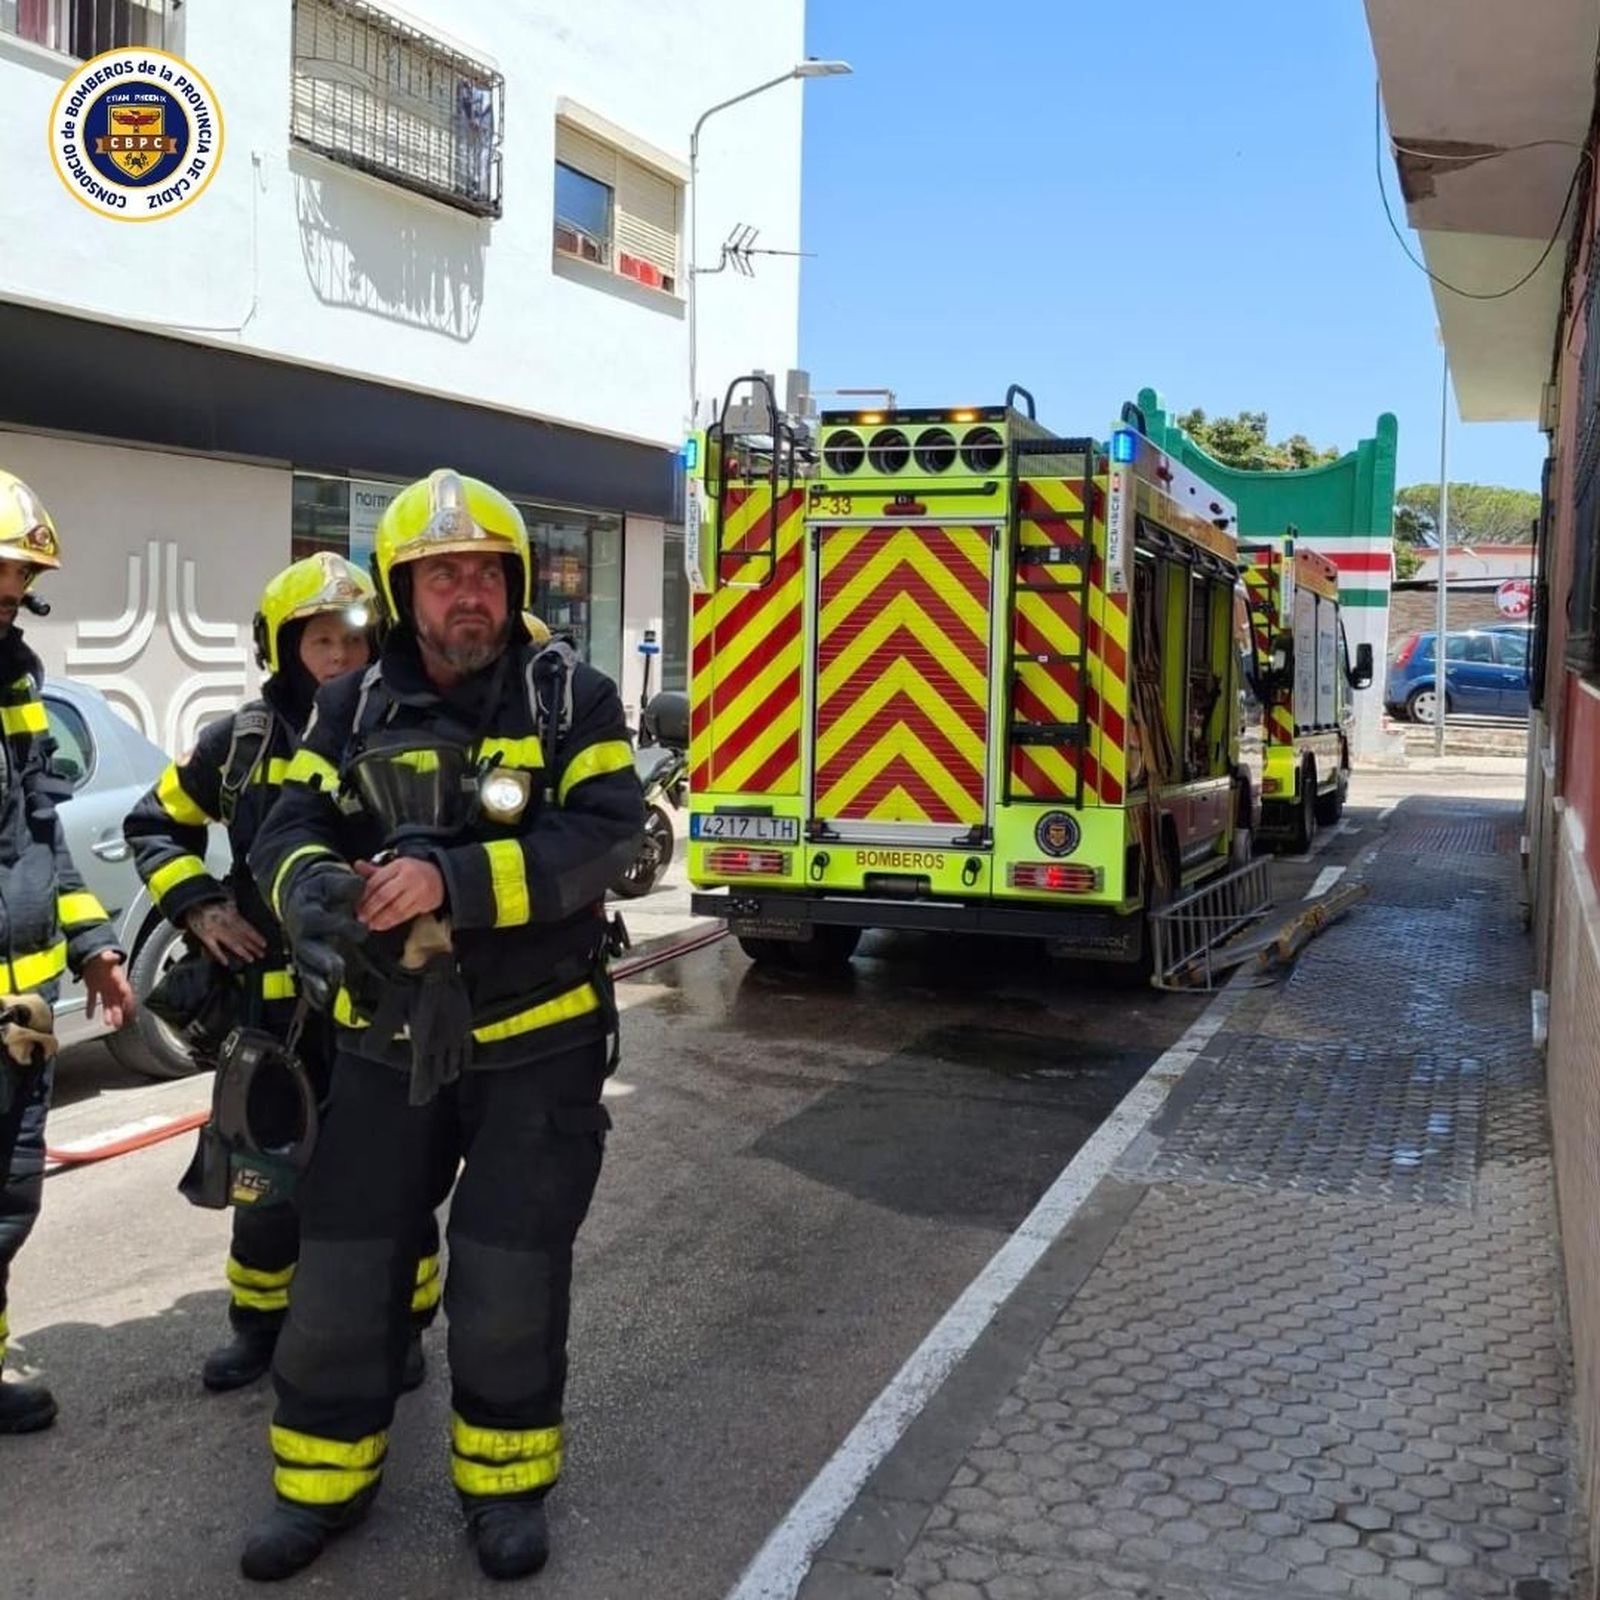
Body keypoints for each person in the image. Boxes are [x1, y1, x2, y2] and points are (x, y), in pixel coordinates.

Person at [242, 470, 642, 1582]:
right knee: (344, 1270)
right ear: (402, 588)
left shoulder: (574, 699)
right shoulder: (347, 704)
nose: (465, 594)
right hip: (377, 1039)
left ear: (513, 586)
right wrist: (311, 888)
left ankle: (505, 1487)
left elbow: (607, 840)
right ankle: (319, 1488)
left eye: (484, 573)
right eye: (440, 574)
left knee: (505, 1275)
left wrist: (449, 881)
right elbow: (288, 824)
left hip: (538, 1041)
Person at [123, 553, 445, 1392]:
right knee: (262, 1184)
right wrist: (199, 907)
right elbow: (154, 821)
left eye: (354, 639)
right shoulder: (238, 744)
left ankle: (403, 1330)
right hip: (269, 1012)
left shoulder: (402, 731)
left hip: (376, 1004)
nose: (341, 657)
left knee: (390, 1182)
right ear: (282, 646)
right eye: (321, 641)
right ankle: (257, 1327)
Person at [0, 469, 134, 1434]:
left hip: (26, 1013)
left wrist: (91, 943)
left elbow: (42, 833)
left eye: (17, 590)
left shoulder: (17, 681)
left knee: (10, 1204)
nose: (7, 607)